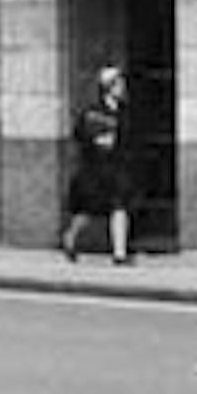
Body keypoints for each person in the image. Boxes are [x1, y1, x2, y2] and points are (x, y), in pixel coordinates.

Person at [60, 66, 133, 265]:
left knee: (120, 206)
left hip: (115, 168)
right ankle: (71, 238)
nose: (123, 88)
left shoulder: (124, 111)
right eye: (119, 84)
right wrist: (96, 141)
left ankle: (120, 254)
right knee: (87, 212)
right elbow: (79, 134)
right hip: (94, 168)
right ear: (108, 87)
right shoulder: (93, 111)